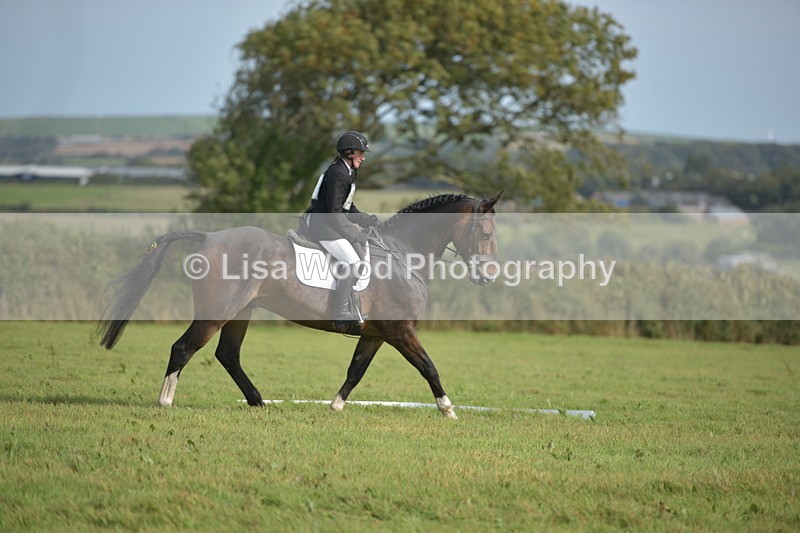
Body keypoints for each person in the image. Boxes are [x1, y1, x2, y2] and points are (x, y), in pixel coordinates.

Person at [302, 131, 380, 332]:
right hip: (322, 224)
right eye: (361, 153)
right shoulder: (339, 173)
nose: (363, 158)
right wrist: (356, 234)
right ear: (350, 153)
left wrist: (365, 219)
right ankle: (341, 313)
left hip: (328, 221)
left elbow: (346, 207)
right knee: (352, 262)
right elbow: (335, 214)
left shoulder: (346, 171)